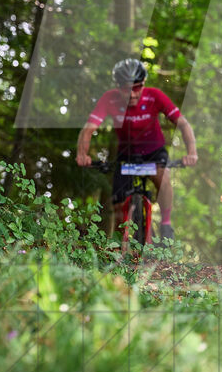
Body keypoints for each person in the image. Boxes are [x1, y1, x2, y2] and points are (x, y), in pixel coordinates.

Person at [76, 58, 198, 240]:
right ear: (118, 87)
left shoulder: (155, 95)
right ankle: (119, 245)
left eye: (137, 87)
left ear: (144, 84)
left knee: (163, 178)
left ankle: (165, 224)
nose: (132, 94)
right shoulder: (109, 98)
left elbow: (183, 124)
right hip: (126, 154)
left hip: (154, 151)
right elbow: (88, 129)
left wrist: (192, 152)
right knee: (118, 204)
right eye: (126, 89)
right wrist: (82, 154)